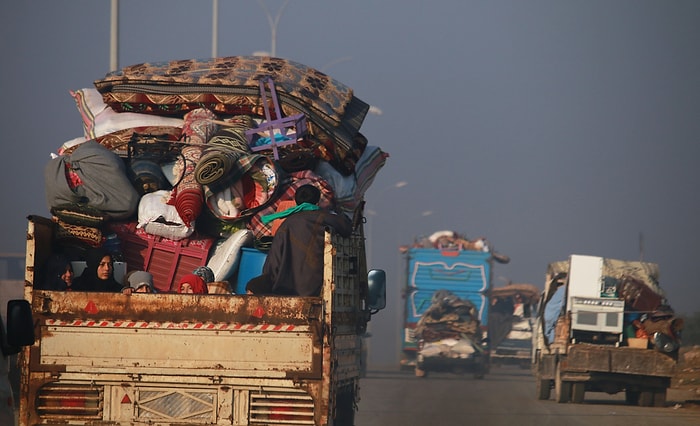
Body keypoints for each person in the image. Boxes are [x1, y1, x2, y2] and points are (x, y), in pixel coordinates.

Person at [246, 184, 353, 296]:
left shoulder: (287, 224)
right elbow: (347, 228)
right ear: (317, 202)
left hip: (287, 290)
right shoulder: (325, 217)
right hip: (317, 289)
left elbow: (274, 261)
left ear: (296, 202)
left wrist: (263, 282)